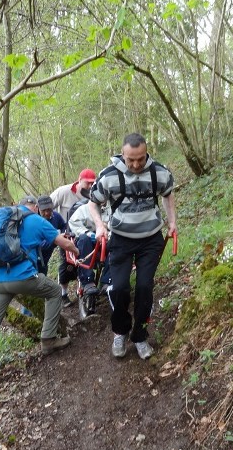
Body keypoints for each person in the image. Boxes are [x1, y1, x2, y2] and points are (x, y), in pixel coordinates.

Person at [0, 196, 79, 395]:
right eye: (37, 207)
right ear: (33, 206)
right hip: (22, 276)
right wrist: (78, 252)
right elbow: (63, 243)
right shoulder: (35, 219)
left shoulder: (4, 221)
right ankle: (48, 339)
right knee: (53, 291)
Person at [88, 133, 177, 360]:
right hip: (120, 238)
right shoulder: (108, 176)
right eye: (131, 160)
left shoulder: (160, 172)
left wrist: (173, 222)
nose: (136, 164)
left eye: (140, 159)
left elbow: (167, 195)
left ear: (146, 153)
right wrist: (99, 225)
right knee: (119, 288)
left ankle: (140, 335)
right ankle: (120, 331)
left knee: (145, 288)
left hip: (150, 238)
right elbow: (93, 202)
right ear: (123, 154)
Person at [50, 168, 96, 307]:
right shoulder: (63, 192)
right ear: (79, 179)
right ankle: (63, 294)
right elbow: (46, 207)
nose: (90, 186)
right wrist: (54, 230)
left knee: (89, 259)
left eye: (92, 183)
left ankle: (84, 287)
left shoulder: (94, 194)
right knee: (67, 264)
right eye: (87, 183)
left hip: (88, 231)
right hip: (67, 232)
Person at [67, 200, 111, 296]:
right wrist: (89, 234)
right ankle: (87, 281)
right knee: (84, 239)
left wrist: (108, 232)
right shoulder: (83, 209)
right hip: (88, 245)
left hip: (106, 241)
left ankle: (107, 281)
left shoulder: (112, 209)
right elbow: (74, 223)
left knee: (117, 243)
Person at [36, 195, 66, 275]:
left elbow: (63, 226)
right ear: (38, 208)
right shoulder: (34, 221)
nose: (46, 213)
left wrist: (64, 234)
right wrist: (56, 238)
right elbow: (39, 245)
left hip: (46, 259)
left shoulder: (56, 216)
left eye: (49, 210)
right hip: (34, 260)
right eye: (43, 211)